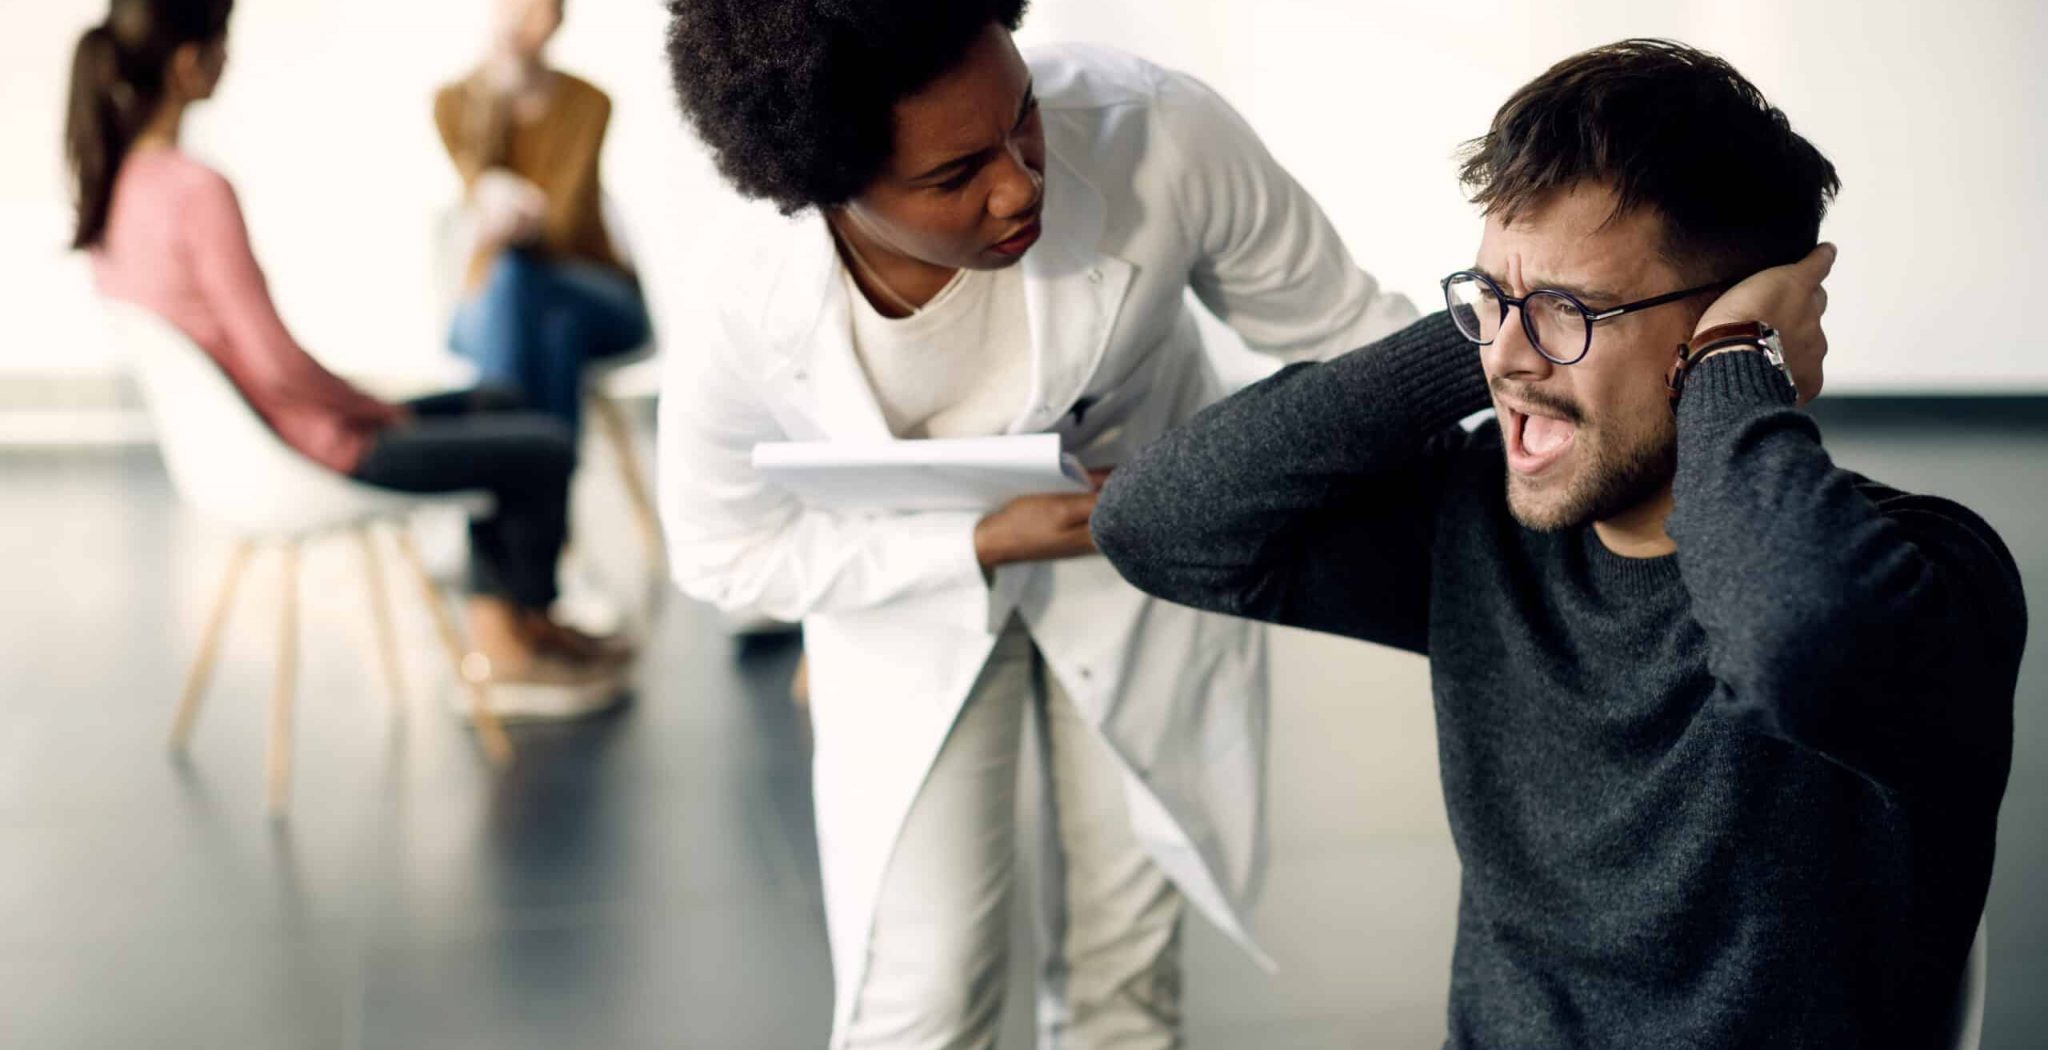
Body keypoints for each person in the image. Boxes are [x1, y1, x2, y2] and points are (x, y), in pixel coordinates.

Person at [1094, 39, 2027, 1049]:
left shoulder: (1925, 570)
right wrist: (1485, 329)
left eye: (1567, 310)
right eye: (1488, 298)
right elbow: (1157, 525)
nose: (1503, 355)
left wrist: (1731, 364)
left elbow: (1790, 642)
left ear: (1726, 325)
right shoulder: (1481, 526)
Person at [658, 0, 1416, 1045]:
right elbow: (722, 552)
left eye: (1022, 121)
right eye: (951, 175)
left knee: (1125, 971)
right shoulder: (743, 297)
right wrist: (983, 539)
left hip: (1141, 581)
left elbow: (1354, 343)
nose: (1019, 184)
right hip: (904, 603)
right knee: (917, 997)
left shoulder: (1153, 130)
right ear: (829, 188)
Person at [69, 0, 629, 715]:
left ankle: (528, 622)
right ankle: (506, 646)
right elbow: (276, 365)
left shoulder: (117, 184)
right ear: (189, 65)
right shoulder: (194, 189)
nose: (229, 59)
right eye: (223, 44)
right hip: (315, 446)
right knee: (544, 444)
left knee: (502, 401)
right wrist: (374, 407)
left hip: (265, 436)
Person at [434, 0, 650, 436]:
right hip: (502, 299)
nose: (517, 20)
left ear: (556, 19)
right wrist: (490, 98)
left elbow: (564, 224)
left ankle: (502, 475)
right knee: (552, 326)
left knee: (522, 281)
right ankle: (546, 481)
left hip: (591, 285)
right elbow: (476, 183)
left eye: (532, 10)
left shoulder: (589, 102)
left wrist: (519, 223)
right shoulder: (453, 102)